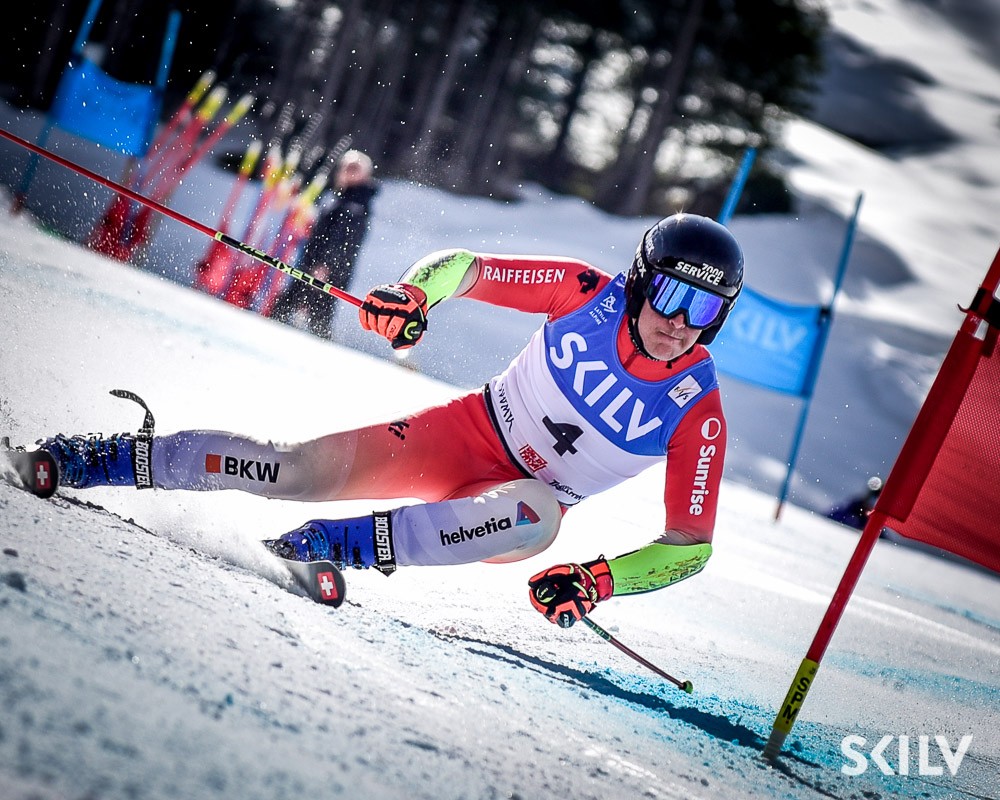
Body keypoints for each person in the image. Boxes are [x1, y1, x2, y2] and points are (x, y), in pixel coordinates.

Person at [14, 213, 744, 628]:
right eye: (673, 298)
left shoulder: (697, 410)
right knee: (289, 469)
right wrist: (415, 295)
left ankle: (325, 546)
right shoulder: (586, 293)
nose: (682, 323)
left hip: (507, 509)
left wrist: (597, 580)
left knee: (537, 514)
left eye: (705, 310)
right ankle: (98, 458)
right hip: (462, 434)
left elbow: (690, 546)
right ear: (641, 281)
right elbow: (466, 266)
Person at [270, 149, 377, 336]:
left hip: (326, 271)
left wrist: (325, 266)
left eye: (354, 169)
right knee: (292, 309)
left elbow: (344, 241)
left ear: (365, 175)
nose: (347, 172)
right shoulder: (342, 197)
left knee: (310, 317)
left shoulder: (356, 203)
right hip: (315, 264)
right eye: (345, 167)